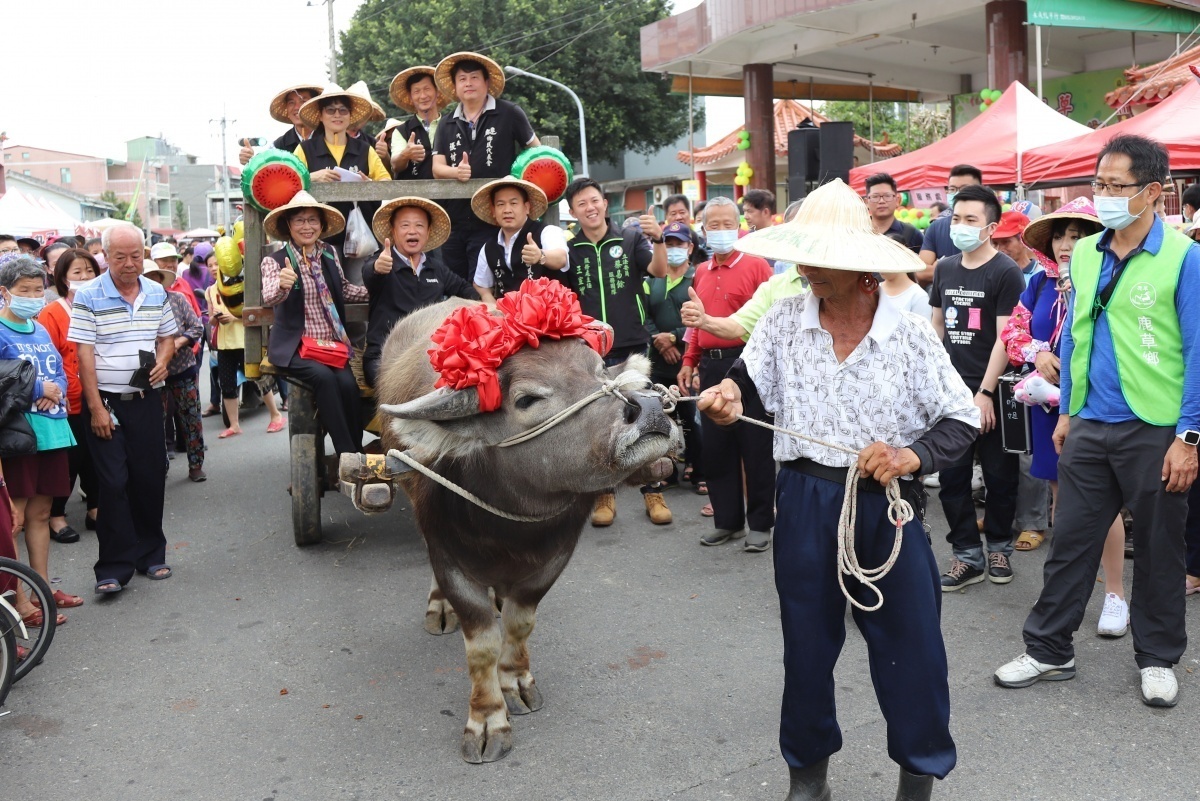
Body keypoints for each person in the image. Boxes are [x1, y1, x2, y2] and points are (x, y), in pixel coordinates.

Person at [699, 178, 979, 801]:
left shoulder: (906, 333)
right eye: (802, 256)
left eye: (820, 259)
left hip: (888, 507)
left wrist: (911, 454)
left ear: (861, 268)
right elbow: (745, 381)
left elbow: (962, 420)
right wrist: (726, 399)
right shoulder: (783, 320)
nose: (805, 270)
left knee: (912, 649)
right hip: (802, 499)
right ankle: (808, 776)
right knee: (805, 645)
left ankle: (919, 774)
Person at [995, 134, 1200, 708]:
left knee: (1161, 549)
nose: (1104, 196)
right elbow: (1081, 338)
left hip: (1156, 428)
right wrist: (1070, 409)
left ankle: (1158, 658)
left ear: (1153, 192)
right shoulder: (1084, 255)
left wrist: (1189, 436)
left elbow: (1198, 352)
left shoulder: (1185, 257)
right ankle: (1048, 649)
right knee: (1071, 542)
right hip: (1087, 424)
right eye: (1099, 184)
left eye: (1116, 186)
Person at [999, 198, 1130, 634]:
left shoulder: (1111, 281)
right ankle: (1064, 588)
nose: (1066, 244)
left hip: (1095, 407)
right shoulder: (1037, 284)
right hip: (1046, 407)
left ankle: (1115, 594)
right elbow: (1014, 330)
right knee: (1061, 497)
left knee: (1103, 501)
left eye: (1077, 235)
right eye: (1060, 235)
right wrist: (1037, 354)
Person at [67, 223, 178, 593]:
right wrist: (96, 407)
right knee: (113, 483)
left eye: (135, 256)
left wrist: (163, 359)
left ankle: (151, 554)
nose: (129, 264)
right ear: (106, 256)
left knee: (149, 477)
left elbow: (166, 338)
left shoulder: (156, 291)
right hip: (107, 402)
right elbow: (83, 355)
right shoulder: (88, 295)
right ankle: (113, 567)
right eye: (120, 257)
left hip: (146, 400)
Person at [929, 184, 1025, 591]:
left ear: (990, 227)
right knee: (951, 478)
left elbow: (1006, 339)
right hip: (950, 393)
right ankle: (966, 554)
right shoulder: (944, 268)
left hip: (992, 392)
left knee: (1000, 477)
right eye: (957, 218)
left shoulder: (1006, 272)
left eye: (971, 220)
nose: (962, 226)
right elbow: (936, 328)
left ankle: (1000, 545)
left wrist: (984, 394)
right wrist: (935, 386)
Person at [564, 177, 667, 525]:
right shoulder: (570, 250)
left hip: (632, 344)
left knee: (645, 416)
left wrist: (660, 238)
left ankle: (652, 491)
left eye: (594, 200)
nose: (590, 207)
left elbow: (658, 270)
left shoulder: (630, 238)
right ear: (573, 211)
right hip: (590, 350)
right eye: (582, 203)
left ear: (605, 203)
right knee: (599, 422)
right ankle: (604, 494)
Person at [678, 196, 775, 552]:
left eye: (727, 224)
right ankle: (727, 521)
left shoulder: (758, 267)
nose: (720, 231)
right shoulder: (701, 270)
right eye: (713, 225)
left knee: (755, 446)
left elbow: (769, 322)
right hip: (711, 363)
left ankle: (761, 523)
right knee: (717, 448)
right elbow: (695, 323)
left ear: (740, 227)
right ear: (703, 230)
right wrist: (690, 360)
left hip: (748, 362)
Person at [0, 255, 81, 622]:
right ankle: (17, 599)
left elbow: (59, 370)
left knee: (42, 512)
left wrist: (57, 389)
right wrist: (37, 388)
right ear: (5, 293)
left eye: (38, 289)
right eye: (24, 290)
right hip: (19, 437)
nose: (33, 296)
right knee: (13, 519)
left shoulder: (40, 328)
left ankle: (43, 588)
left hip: (52, 429)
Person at [261, 191, 367, 456]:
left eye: (312, 220)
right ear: (288, 225)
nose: (307, 227)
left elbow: (342, 289)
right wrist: (284, 284)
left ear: (321, 224)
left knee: (348, 385)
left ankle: (358, 452)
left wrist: (374, 290)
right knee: (323, 380)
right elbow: (270, 294)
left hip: (330, 345)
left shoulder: (329, 252)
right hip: (295, 346)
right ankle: (348, 455)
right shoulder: (274, 260)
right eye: (299, 220)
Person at [431, 52, 540, 279]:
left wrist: (519, 180)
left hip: (493, 216)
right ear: (454, 86)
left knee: (486, 282)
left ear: (487, 82)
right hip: (455, 218)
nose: (468, 83)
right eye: (462, 79)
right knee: (454, 282)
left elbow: (536, 153)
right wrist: (456, 172)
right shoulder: (446, 121)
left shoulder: (509, 112)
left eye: (474, 77)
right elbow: (437, 167)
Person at [989, 209, 1053, 554]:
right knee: (1009, 449)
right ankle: (1009, 515)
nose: (1001, 247)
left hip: (1047, 380)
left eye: (1007, 241)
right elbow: (1012, 330)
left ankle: (1032, 522)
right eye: (995, 241)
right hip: (1014, 372)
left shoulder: (1040, 276)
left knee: (1034, 455)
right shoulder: (1029, 279)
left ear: (1023, 240)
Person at [362, 197, 477, 388]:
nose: (412, 231)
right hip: (384, 357)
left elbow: (467, 291)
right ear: (393, 231)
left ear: (428, 231)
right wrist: (378, 267)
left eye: (419, 225)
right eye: (405, 225)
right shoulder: (382, 262)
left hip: (428, 357)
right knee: (406, 387)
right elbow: (370, 274)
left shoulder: (436, 268)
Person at [640, 221, 701, 519]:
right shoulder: (653, 279)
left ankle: (699, 467)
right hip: (656, 358)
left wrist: (675, 336)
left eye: (679, 243)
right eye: (669, 243)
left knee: (691, 416)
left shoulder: (696, 277)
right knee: (661, 416)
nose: (674, 249)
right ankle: (666, 470)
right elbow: (643, 314)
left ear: (690, 247)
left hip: (687, 356)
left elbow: (702, 314)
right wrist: (660, 340)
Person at [40, 248, 100, 542]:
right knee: (69, 460)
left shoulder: (101, 305)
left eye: (89, 271)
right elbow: (44, 358)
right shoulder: (52, 313)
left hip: (100, 395)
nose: (84, 277)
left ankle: (95, 508)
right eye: (77, 272)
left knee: (96, 456)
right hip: (67, 401)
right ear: (62, 277)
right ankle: (56, 515)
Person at [294, 83, 392, 261]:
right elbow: (289, 182)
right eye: (330, 110)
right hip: (318, 236)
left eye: (343, 110)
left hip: (359, 236)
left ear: (350, 116)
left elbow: (386, 183)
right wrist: (311, 177)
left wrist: (368, 184)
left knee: (359, 286)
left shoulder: (365, 149)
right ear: (321, 116)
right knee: (324, 286)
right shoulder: (305, 149)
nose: (337, 115)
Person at [204, 260, 285, 439]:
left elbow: (253, 313)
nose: (215, 267)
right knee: (226, 384)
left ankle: (276, 415)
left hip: (246, 340)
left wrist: (232, 317)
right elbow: (210, 319)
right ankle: (234, 425)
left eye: (218, 263)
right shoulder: (210, 291)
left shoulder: (243, 286)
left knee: (260, 379)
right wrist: (216, 319)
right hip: (225, 344)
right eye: (211, 265)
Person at [143, 261, 206, 481]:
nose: (152, 282)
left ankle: (196, 464)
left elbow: (197, 326)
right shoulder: (136, 306)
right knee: (155, 423)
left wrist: (177, 344)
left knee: (191, 419)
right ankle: (161, 465)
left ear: (161, 280)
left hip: (183, 369)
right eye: (146, 278)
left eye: (155, 278)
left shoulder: (177, 299)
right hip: (153, 373)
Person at [470, 178, 569, 303]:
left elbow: (561, 259)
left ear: (526, 207)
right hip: (507, 317)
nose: (507, 210)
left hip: (549, 316)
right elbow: (480, 284)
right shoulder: (489, 247)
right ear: (493, 211)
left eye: (514, 203)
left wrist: (540, 255)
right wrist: (490, 303)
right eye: (500, 204)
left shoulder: (547, 232)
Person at [919, 164, 983, 285]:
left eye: (964, 189)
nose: (958, 194)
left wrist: (941, 268)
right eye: (952, 189)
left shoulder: (989, 227)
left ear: (980, 190)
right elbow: (921, 272)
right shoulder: (936, 227)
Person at [387, 66, 450, 180]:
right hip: (413, 196)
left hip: (450, 195)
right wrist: (406, 154)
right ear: (411, 98)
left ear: (437, 92)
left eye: (427, 89)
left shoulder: (452, 126)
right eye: (416, 91)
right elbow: (395, 165)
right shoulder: (402, 131)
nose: (423, 96)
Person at [238, 83, 322, 165]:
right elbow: (265, 167)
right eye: (291, 103)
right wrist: (250, 160)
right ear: (287, 110)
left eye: (303, 101)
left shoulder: (329, 136)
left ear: (315, 106)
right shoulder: (279, 145)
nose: (297, 107)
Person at [865, 173, 923, 253]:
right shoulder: (855, 231)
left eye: (887, 196)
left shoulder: (912, 234)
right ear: (867, 202)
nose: (881, 201)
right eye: (875, 196)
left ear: (897, 200)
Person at [663, 193, 709, 266]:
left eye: (682, 212)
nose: (678, 217)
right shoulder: (661, 240)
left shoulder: (700, 239)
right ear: (666, 217)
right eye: (673, 214)